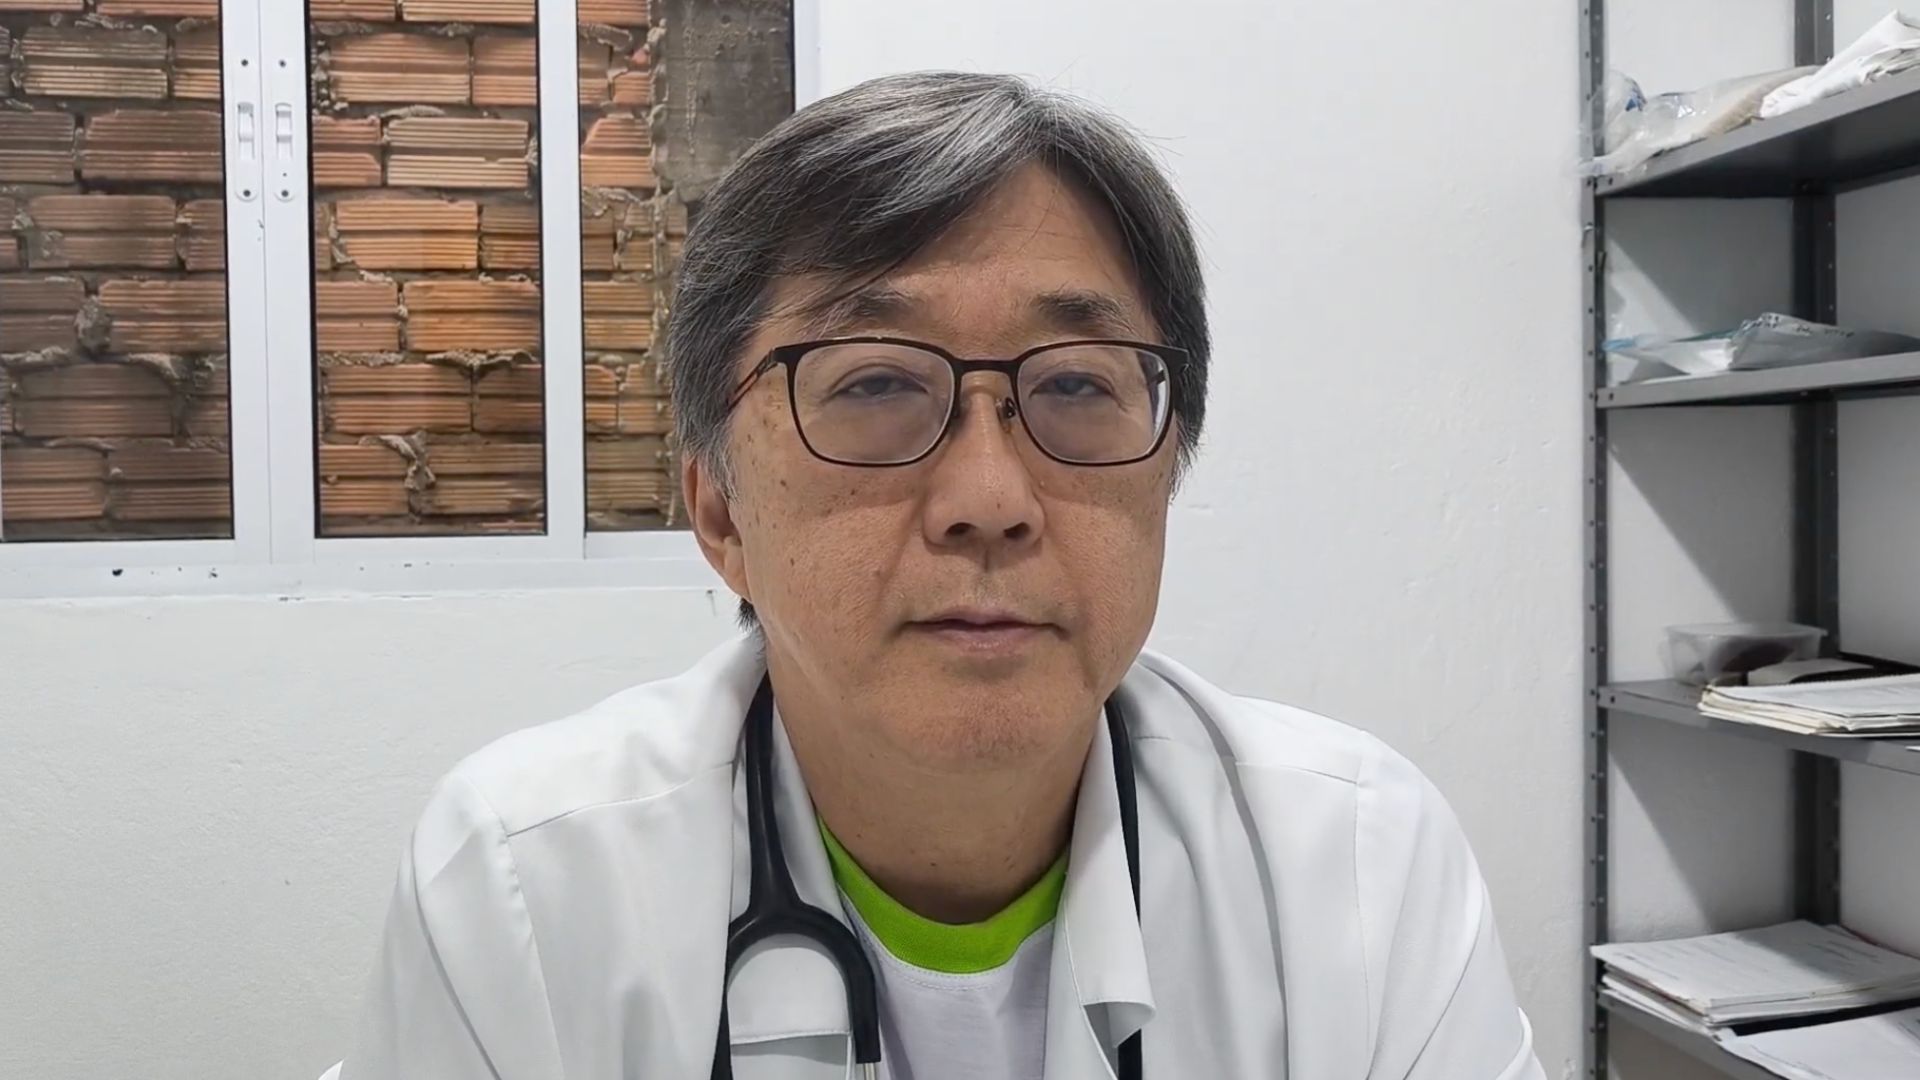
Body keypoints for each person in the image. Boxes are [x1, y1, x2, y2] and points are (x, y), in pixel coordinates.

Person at [338, 72, 1547, 1080]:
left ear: (1166, 470)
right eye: (874, 383)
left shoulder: (1355, 868)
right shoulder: (527, 888)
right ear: (718, 510)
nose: (990, 499)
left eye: (1074, 384)